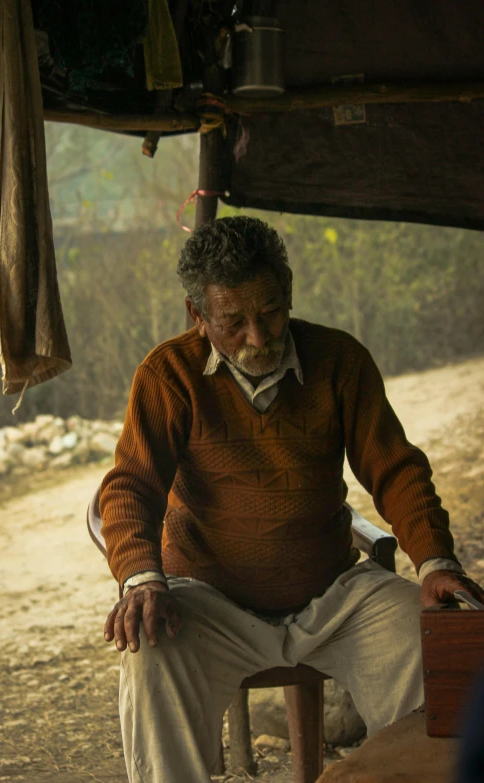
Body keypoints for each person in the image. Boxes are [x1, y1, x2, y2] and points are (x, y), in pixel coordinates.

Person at [99, 216, 484, 783]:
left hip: (333, 597)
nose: (259, 337)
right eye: (234, 322)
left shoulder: (340, 360)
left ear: (289, 295)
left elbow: (393, 465)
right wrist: (141, 578)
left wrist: (434, 561)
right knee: (149, 653)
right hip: (210, 604)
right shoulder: (168, 375)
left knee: (434, 644)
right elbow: (131, 485)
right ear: (197, 317)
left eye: (272, 311)